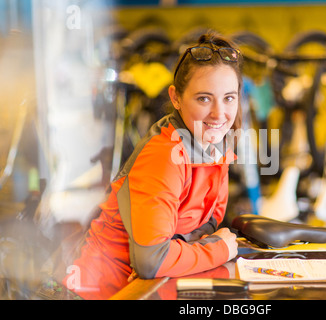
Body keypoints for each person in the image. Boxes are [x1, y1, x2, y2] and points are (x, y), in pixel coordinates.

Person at [62, 31, 243, 300]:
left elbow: (207, 224)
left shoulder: (215, 145)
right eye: (204, 98)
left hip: (151, 289)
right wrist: (219, 249)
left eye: (229, 98)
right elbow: (152, 262)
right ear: (176, 98)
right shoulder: (164, 156)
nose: (219, 114)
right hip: (100, 293)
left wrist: (183, 248)